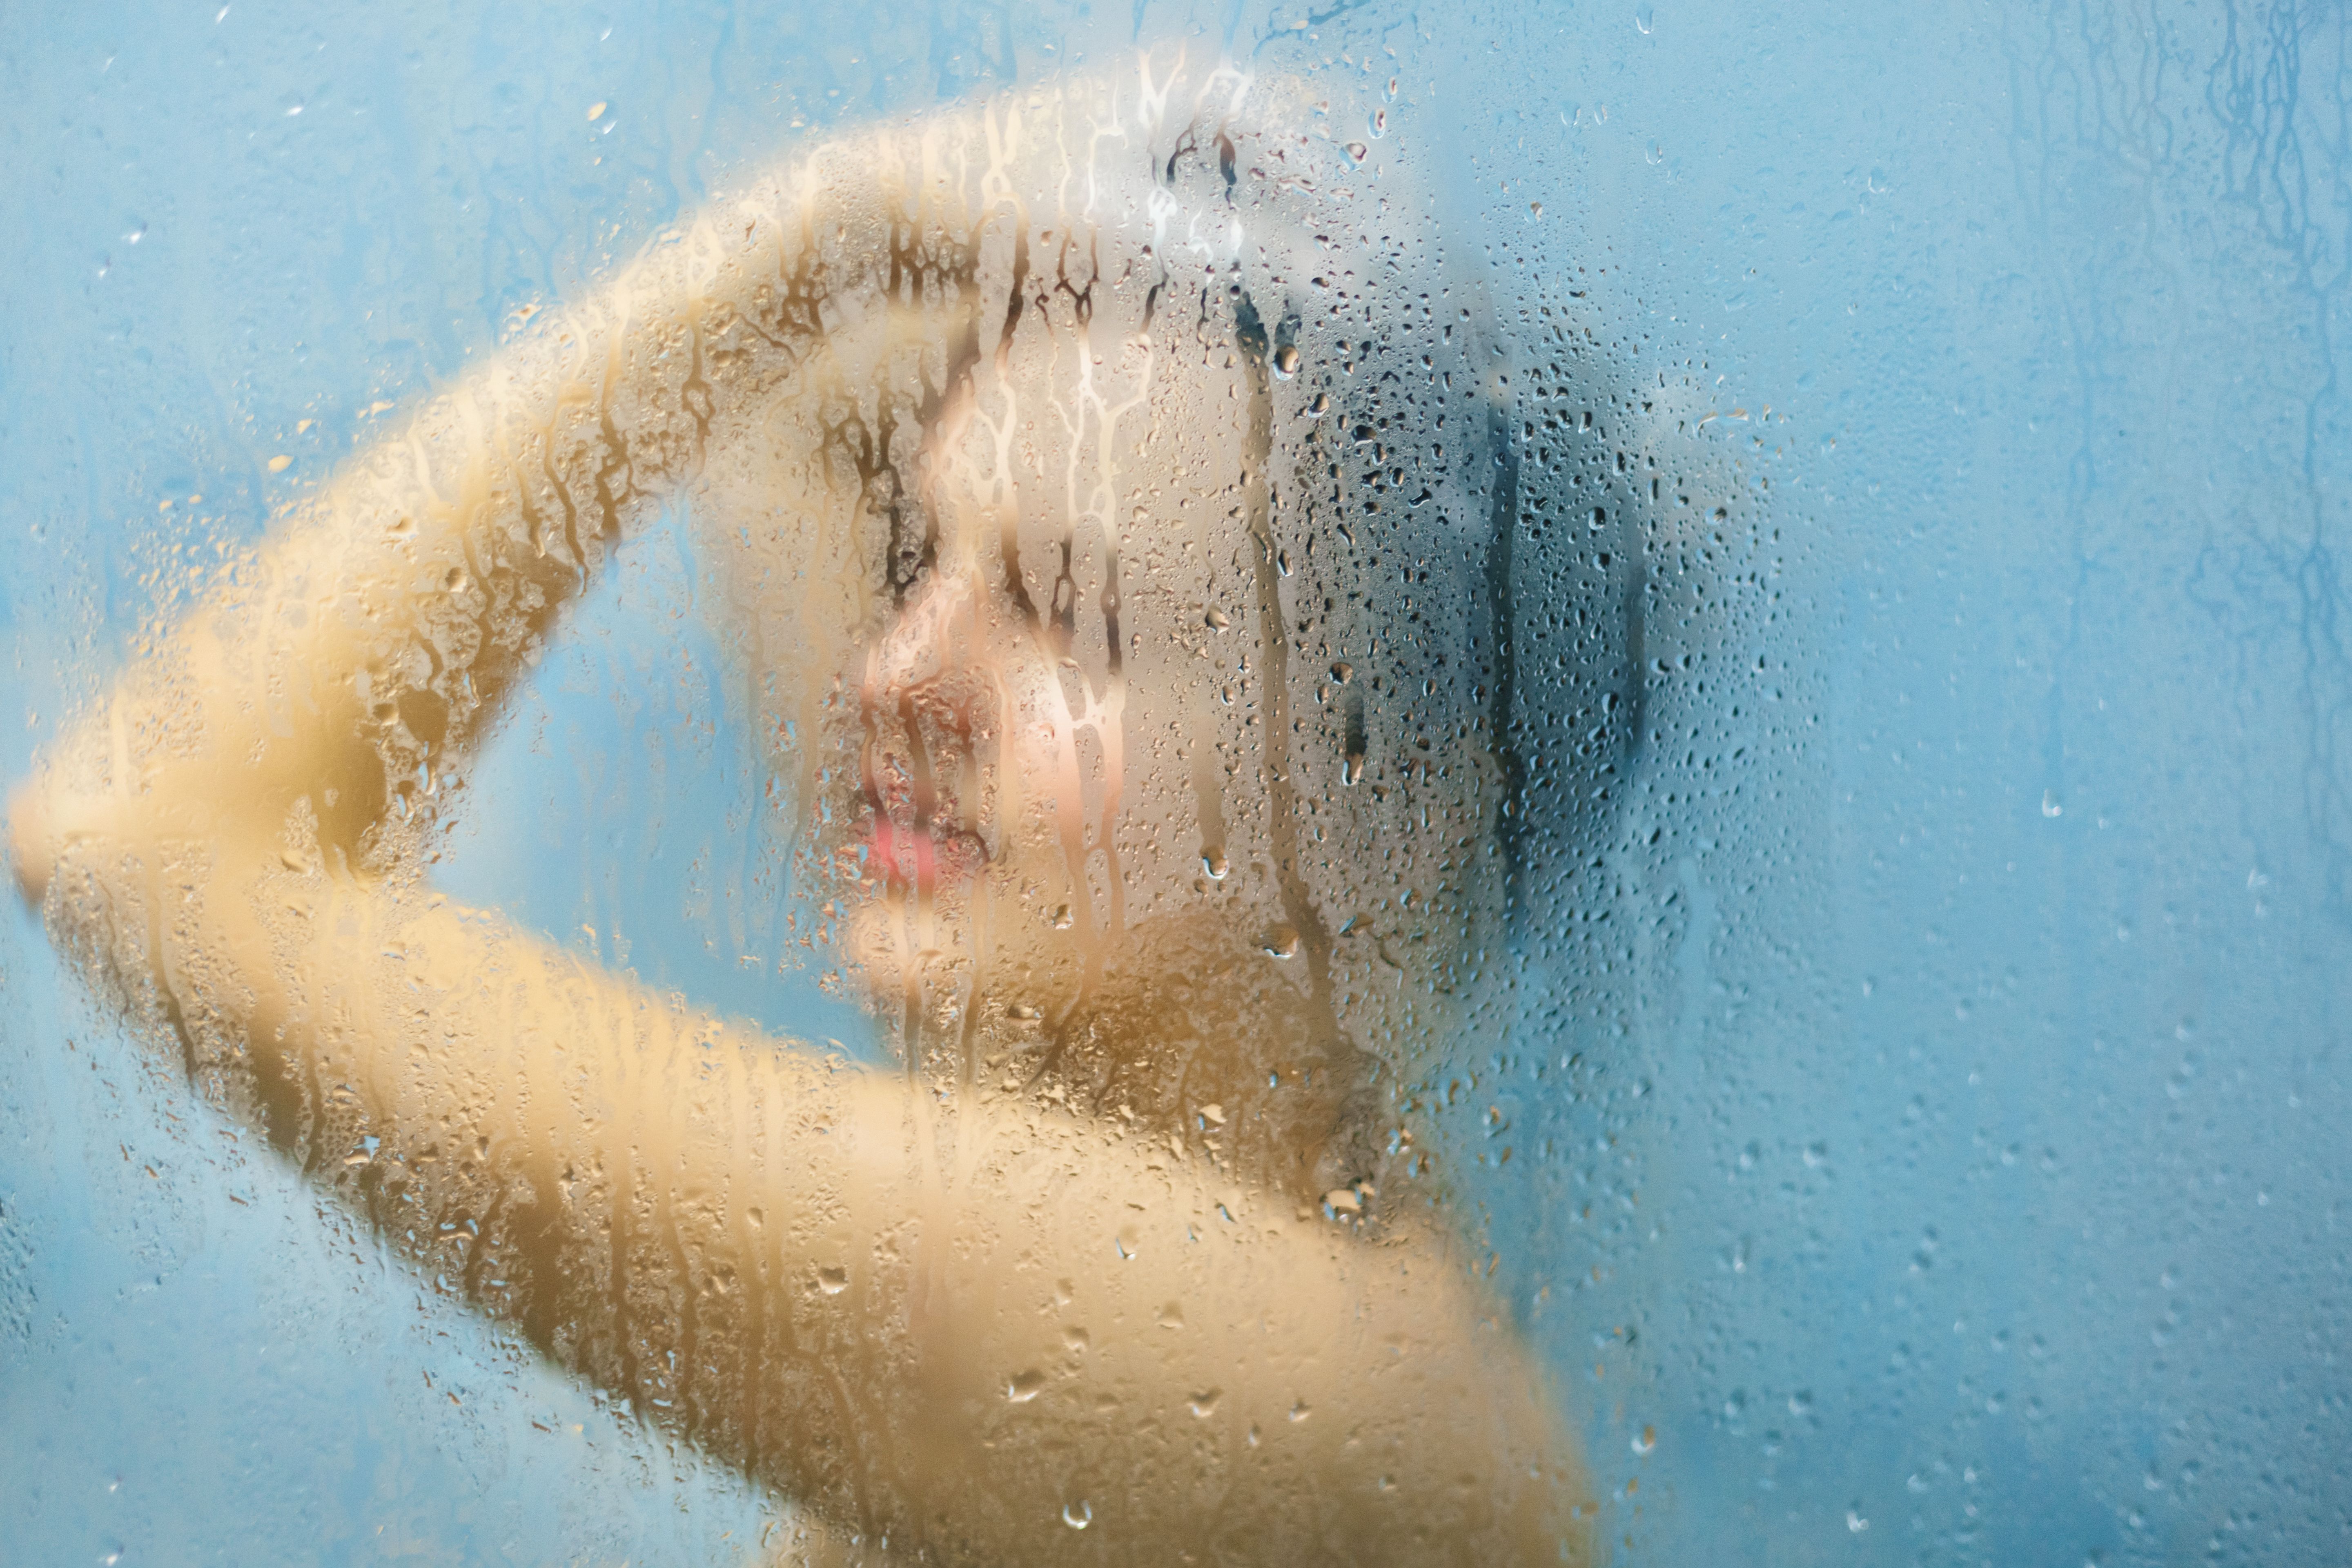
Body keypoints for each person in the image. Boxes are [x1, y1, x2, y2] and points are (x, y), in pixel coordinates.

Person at [9, 56, 1598, 1566]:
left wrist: (828, 219)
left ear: (1389, 809)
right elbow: (792, 430)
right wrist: (1127, 199)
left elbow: (135, 840)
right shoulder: (1091, 1073)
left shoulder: (1296, 1379)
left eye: (1070, 612)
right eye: (924, 557)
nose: (895, 668)